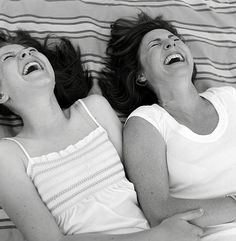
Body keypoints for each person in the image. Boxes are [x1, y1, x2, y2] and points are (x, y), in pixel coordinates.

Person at [0, 30, 204, 241]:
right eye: (8, 57)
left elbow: (145, 189)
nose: (27, 54)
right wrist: (158, 235)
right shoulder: (8, 155)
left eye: (31, 51)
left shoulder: (95, 110)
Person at [99, 12, 236, 241]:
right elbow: (158, 210)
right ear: (141, 75)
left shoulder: (229, 97)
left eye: (175, 40)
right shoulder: (146, 122)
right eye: (156, 44)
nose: (171, 43)